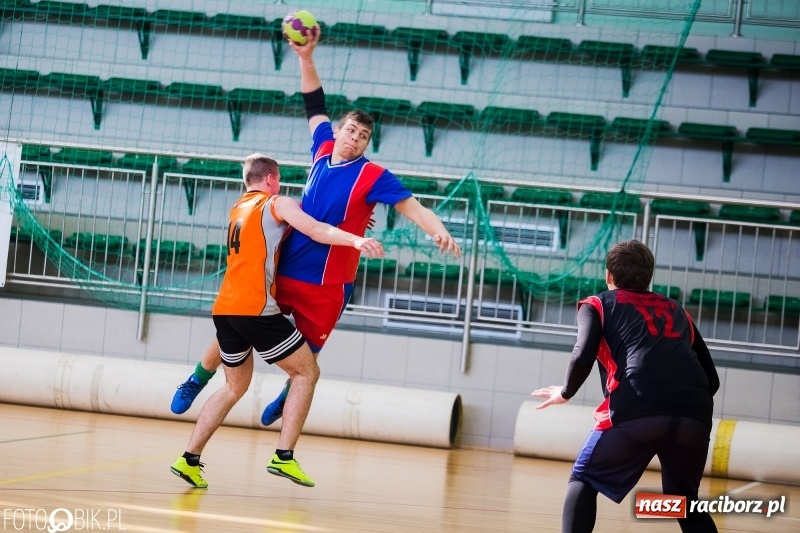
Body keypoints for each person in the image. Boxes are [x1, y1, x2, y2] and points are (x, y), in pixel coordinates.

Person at [170, 25, 462, 423]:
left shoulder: (374, 175)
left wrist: (437, 229)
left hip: (330, 280)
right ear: (339, 132)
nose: (354, 139)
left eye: (362, 136)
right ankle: (197, 377)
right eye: (351, 131)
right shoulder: (323, 148)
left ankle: (287, 393)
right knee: (238, 321)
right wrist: (305, 58)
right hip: (289, 263)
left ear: (366, 144)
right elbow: (314, 102)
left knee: (309, 352)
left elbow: (414, 207)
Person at [170, 154, 385, 489]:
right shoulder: (277, 202)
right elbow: (313, 228)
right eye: (279, 179)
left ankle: (189, 459)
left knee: (233, 387)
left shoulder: (239, 207)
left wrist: (356, 219)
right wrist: (355, 238)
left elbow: (292, 224)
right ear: (271, 179)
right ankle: (283, 456)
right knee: (307, 372)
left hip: (225, 308)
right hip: (256, 309)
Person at [531, 240, 719, 533]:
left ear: (609, 276)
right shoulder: (678, 311)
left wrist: (565, 392)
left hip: (638, 405)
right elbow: (713, 380)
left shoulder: (597, 304)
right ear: (649, 277)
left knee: (583, 480)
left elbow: (582, 354)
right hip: (695, 412)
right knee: (685, 501)